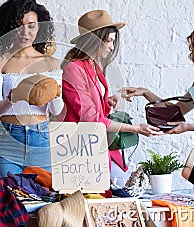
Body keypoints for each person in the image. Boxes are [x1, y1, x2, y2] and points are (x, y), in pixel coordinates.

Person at [61, 10, 161, 186]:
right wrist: (135, 128)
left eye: (113, 41)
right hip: (80, 148)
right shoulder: (74, 68)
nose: (111, 47)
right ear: (94, 41)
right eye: (108, 41)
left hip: (94, 145)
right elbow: (90, 119)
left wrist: (104, 101)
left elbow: (86, 105)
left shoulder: (91, 65)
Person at [0, 0, 64, 177]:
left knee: (43, 201)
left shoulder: (50, 63)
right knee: (8, 200)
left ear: (39, 27)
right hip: (7, 141)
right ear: (10, 27)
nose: (25, 32)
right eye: (19, 26)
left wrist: (55, 94)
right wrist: (14, 97)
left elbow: (56, 111)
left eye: (31, 26)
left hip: (41, 139)